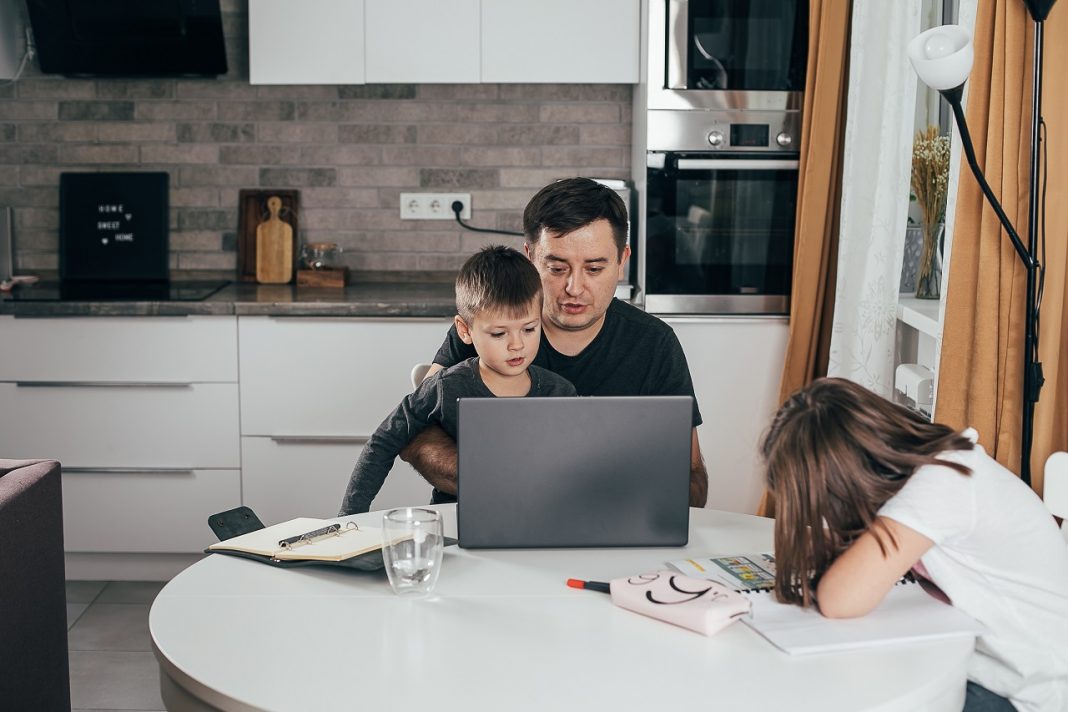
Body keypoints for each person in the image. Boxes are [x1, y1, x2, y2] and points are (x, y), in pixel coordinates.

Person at [761, 377, 1068, 712]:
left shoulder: (944, 480)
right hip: (985, 665)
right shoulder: (930, 473)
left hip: (1030, 692)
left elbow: (840, 599)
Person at [404, 177, 709, 507]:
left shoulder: (654, 343)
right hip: (482, 520)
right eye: (556, 267)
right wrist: (504, 477)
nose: (574, 287)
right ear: (530, 257)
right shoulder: (490, 327)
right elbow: (416, 436)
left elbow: (693, 479)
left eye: (594, 268)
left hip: (605, 531)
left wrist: (618, 486)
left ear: (622, 261)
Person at [338, 246, 575, 515]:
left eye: (529, 329)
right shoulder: (444, 387)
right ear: (465, 331)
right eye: (499, 334)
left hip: (541, 520)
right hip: (454, 520)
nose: (517, 345)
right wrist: (350, 518)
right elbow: (382, 443)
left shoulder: (561, 391)